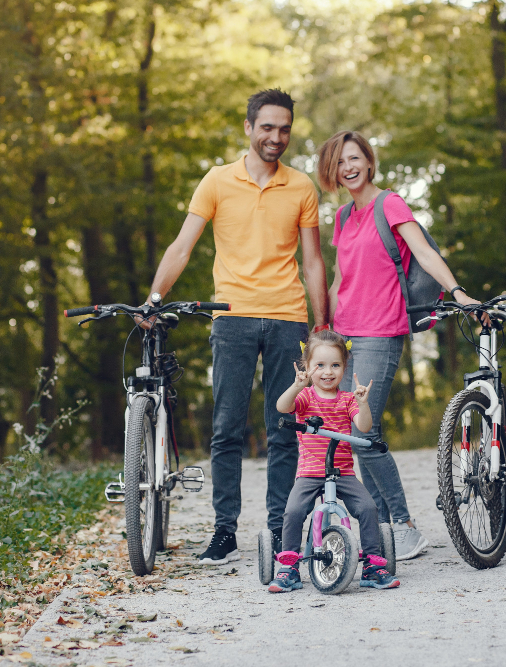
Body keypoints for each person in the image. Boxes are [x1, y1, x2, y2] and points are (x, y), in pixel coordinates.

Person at [144, 89, 330, 565]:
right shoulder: (216, 181)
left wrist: (322, 323)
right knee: (226, 429)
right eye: (267, 127)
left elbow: (312, 262)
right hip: (232, 318)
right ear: (248, 128)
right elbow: (183, 246)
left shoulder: (302, 186)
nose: (276, 136)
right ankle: (224, 531)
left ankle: (279, 529)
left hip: (289, 318)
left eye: (284, 128)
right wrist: (155, 296)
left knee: (284, 427)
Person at [316, 130, 485, 560]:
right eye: (339, 163)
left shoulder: (388, 204)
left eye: (354, 159)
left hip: (381, 331)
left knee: (361, 428)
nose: (347, 168)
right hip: (346, 334)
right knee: (351, 432)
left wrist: (458, 292)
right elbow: (340, 279)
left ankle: (404, 524)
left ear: (369, 162)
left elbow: (425, 254)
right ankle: (384, 526)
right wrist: (323, 330)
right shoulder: (341, 217)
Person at [269, 330, 400, 592]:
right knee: (293, 511)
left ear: (344, 366)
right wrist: (297, 385)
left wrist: (363, 404)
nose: (328, 372)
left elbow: (363, 427)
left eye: (335, 365)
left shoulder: (348, 399)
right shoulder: (305, 397)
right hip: (309, 472)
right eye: (320, 365)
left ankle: (373, 566)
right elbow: (282, 407)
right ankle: (289, 566)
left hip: (342, 472)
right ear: (307, 368)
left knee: (368, 508)